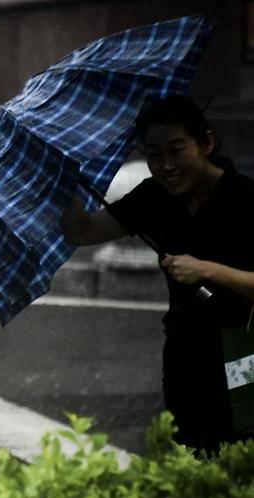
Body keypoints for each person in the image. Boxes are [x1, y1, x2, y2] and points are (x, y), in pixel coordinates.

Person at [60, 95, 254, 453]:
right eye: (153, 154)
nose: (165, 165)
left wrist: (207, 269)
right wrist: (66, 180)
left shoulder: (245, 200)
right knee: (192, 454)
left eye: (176, 150)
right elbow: (83, 232)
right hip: (185, 351)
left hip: (244, 349)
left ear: (206, 143)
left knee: (241, 452)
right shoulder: (156, 197)